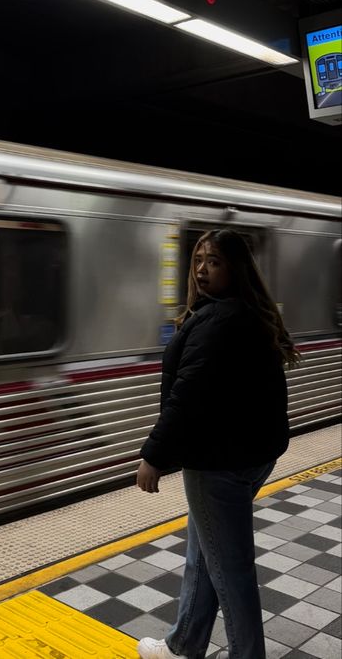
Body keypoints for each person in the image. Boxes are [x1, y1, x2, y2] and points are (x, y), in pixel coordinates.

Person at [136, 229, 299, 659]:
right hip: (250, 454)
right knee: (205, 556)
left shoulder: (218, 321)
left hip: (217, 463)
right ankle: (183, 645)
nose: (203, 269)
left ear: (237, 268)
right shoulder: (247, 312)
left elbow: (186, 394)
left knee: (231, 572)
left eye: (216, 262)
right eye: (199, 260)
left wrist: (153, 456)